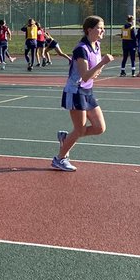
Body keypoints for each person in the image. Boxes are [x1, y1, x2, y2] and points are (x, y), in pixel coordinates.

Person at [51, 15, 114, 171]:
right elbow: (85, 75)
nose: (103, 31)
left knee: (100, 127)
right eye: (100, 27)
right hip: (75, 91)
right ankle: (59, 159)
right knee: (79, 129)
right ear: (89, 30)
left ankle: (66, 138)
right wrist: (103, 63)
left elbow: (92, 74)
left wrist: (100, 67)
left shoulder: (96, 46)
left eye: (103, 27)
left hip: (88, 91)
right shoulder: (81, 49)